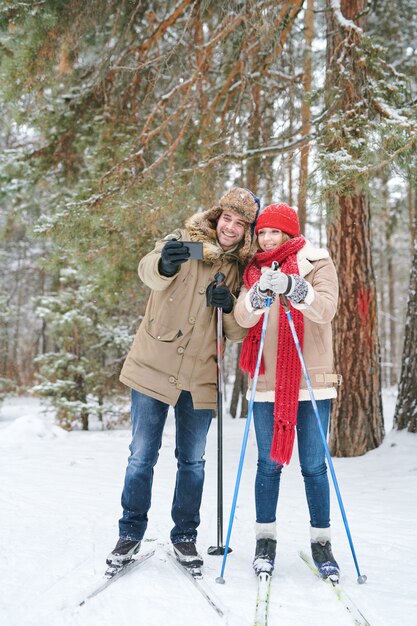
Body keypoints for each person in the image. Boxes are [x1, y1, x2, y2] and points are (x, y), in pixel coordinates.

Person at [106, 187, 260, 574]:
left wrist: (229, 308)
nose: (231, 228)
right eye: (228, 218)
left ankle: (184, 536)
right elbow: (149, 271)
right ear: (216, 216)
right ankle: (130, 532)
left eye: (241, 224)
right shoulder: (182, 242)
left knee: (193, 461)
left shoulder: (238, 269)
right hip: (152, 363)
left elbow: (237, 331)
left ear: (246, 232)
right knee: (141, 456)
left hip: (200, 374)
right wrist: (166, 265)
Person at [234, 202, 341, 581]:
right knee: (268, 466)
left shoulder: (317, 262)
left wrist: (296, 287)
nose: (266, 238)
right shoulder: (253, 270)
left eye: (273, 232)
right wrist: (258, 296)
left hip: (312, 381)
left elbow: (326, 309)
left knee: (314, 466)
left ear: (290, 234)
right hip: (267, 384)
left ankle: (322, 543)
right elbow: (241, 318)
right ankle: (265, 541)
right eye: (262, 232)